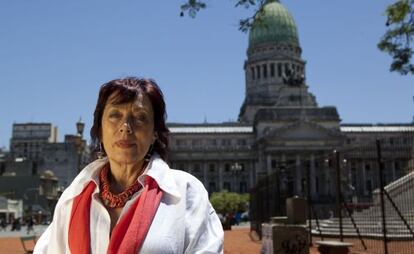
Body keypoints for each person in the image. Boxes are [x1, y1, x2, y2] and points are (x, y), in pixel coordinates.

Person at [34, 77, 224, 253]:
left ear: (155, 133)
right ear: (100, 130)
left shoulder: (186, 192)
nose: (126, 126)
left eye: (140, 117)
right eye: (115, 115)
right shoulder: (71, 198)